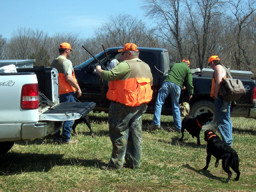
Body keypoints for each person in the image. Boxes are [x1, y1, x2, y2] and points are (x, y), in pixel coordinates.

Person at [96, 43, 153, 170]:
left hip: (123, 105)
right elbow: (151, 82)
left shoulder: (125, 65)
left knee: (118, 132)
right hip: (140, 105)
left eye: (122, 53)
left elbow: (109, 76)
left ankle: (116, 164)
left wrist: (99, 70)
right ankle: (134, 163)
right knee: (135, 134)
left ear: (129, 54)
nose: (120, 56)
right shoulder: (146, 66)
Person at [51, 42, 82, 144]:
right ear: (67, 50)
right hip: (67, 92)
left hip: (57, 93)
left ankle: (56, 137)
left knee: (58, 115)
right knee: (70, 115)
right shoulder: (67, 62)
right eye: (70, 51)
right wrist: (77, 88)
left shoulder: (54, 62)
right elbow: (68, 77)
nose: (70, 52)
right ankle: (66, 138)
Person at [151, 59, 194, 132]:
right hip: (177, 87)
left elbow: (173, 73)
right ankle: (178, 128)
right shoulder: (187, 69)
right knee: (175, 106)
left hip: (167, 83)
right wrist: (190, 93)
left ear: (182, 62)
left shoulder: (175, 65)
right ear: (188, 64)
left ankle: (156, 123)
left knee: (159, 103)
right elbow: (190, 82)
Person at [208, 55, 233, 146]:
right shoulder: (224, 68)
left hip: (221, 97)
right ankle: (228, 141)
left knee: (222, 119)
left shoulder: (218, 68)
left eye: (210, 64)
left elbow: (218, 82)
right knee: (226, 118)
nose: (210, 67)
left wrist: (215, 95)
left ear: (213, 62)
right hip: (226, 97)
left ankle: (227, 142)